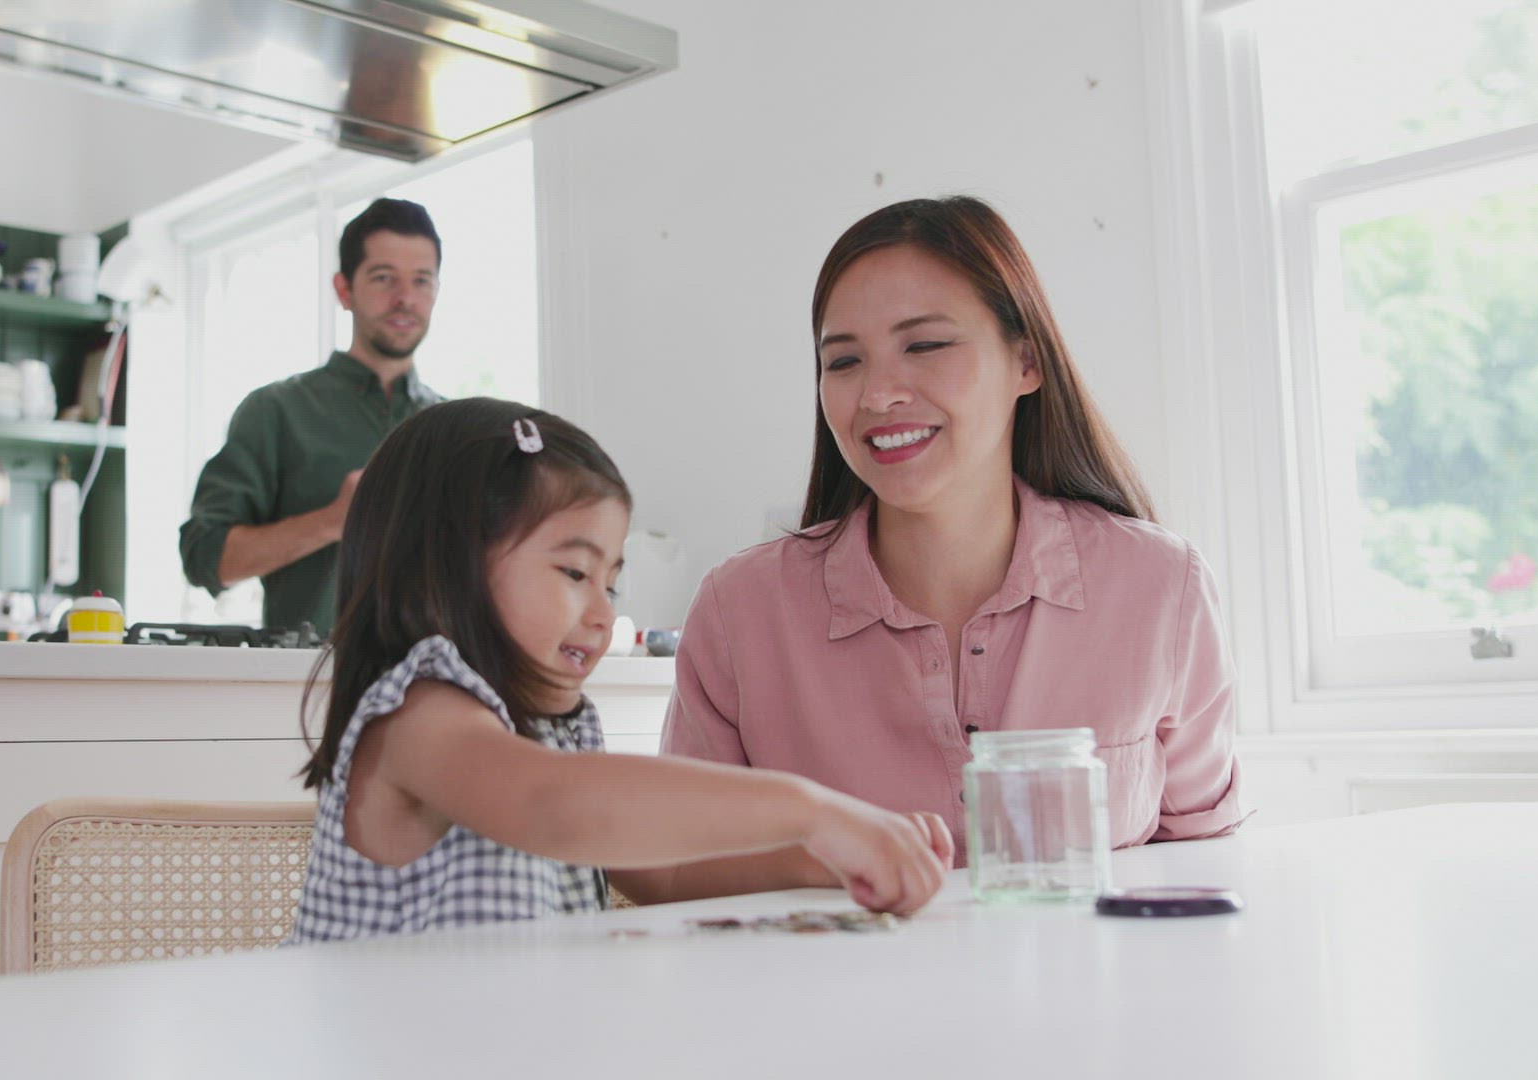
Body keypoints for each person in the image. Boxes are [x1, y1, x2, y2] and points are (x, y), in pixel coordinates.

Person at [661, 196, 1245, 869]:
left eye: (925, 345)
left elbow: (1205, 863)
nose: (878, 394)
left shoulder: (1162, 585)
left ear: (1027, 362)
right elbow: (678, 863)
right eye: (844, 362)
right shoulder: (739, 611)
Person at [286, 398, 952, 944]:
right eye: (576, 573)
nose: (605, 615)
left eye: (611, 583)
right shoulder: (419, 718)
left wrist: (829, 863)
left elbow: (663, 875)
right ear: (447, 563)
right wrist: (813, 812)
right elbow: (553, 807)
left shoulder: (550, 737)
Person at [179, 198, 447, 632]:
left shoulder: (455, 431)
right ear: (344, 290)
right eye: (384, 278)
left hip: (442, 672)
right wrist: (331, 522)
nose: (405, 299)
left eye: (422, 280)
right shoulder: (276, 411)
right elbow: (203, 557)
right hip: (311, 672)